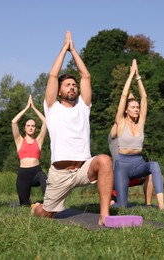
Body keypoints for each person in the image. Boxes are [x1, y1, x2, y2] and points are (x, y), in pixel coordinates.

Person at [31, 31, 113, 225]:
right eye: (67, 85)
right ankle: (36, 208)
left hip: (83, 168)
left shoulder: (83, 108)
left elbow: (86, 76)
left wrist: (74, 51)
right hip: (60, 173)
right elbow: (52, 75)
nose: (72, 87)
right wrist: (64, 49)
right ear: (59, 91)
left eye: (74, 85)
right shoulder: (52, 108)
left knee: (105, 161)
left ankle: (105, 216)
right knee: (47, 215)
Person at [113, 59, 164, 209]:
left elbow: (144, 98)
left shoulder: (140, 122)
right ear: (126, 110)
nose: (136, 109)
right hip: (122, 165)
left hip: (137, 163)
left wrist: (138, 77)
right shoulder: (121, 122)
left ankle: (161, 205)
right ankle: (111, 202)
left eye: (137, 107)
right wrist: (130, 76)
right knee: (122, 206)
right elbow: (123, 97)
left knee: (154, 165)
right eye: (133, 107)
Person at [11, 95, 47, 206]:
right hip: (23, 174)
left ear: (35, 128)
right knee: (24, 205)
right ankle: (30, 204)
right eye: (28, 125)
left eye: (33, 126)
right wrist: (27, 107)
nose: (31, 127)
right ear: (25, 128)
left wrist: (34, 108)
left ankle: (49, 204)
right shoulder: (19, 140)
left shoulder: (39, 141)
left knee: (43, 177)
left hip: (36, 172)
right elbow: (14, 122)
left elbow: (46, 122)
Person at [108, 121, 154, 206]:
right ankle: (113, 201)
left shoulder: (131, 138)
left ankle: (148, 204)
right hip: (119, 177)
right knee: (114, 204)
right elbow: (117, 122)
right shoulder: (113, 139)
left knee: (149, 174)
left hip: (133, 174)